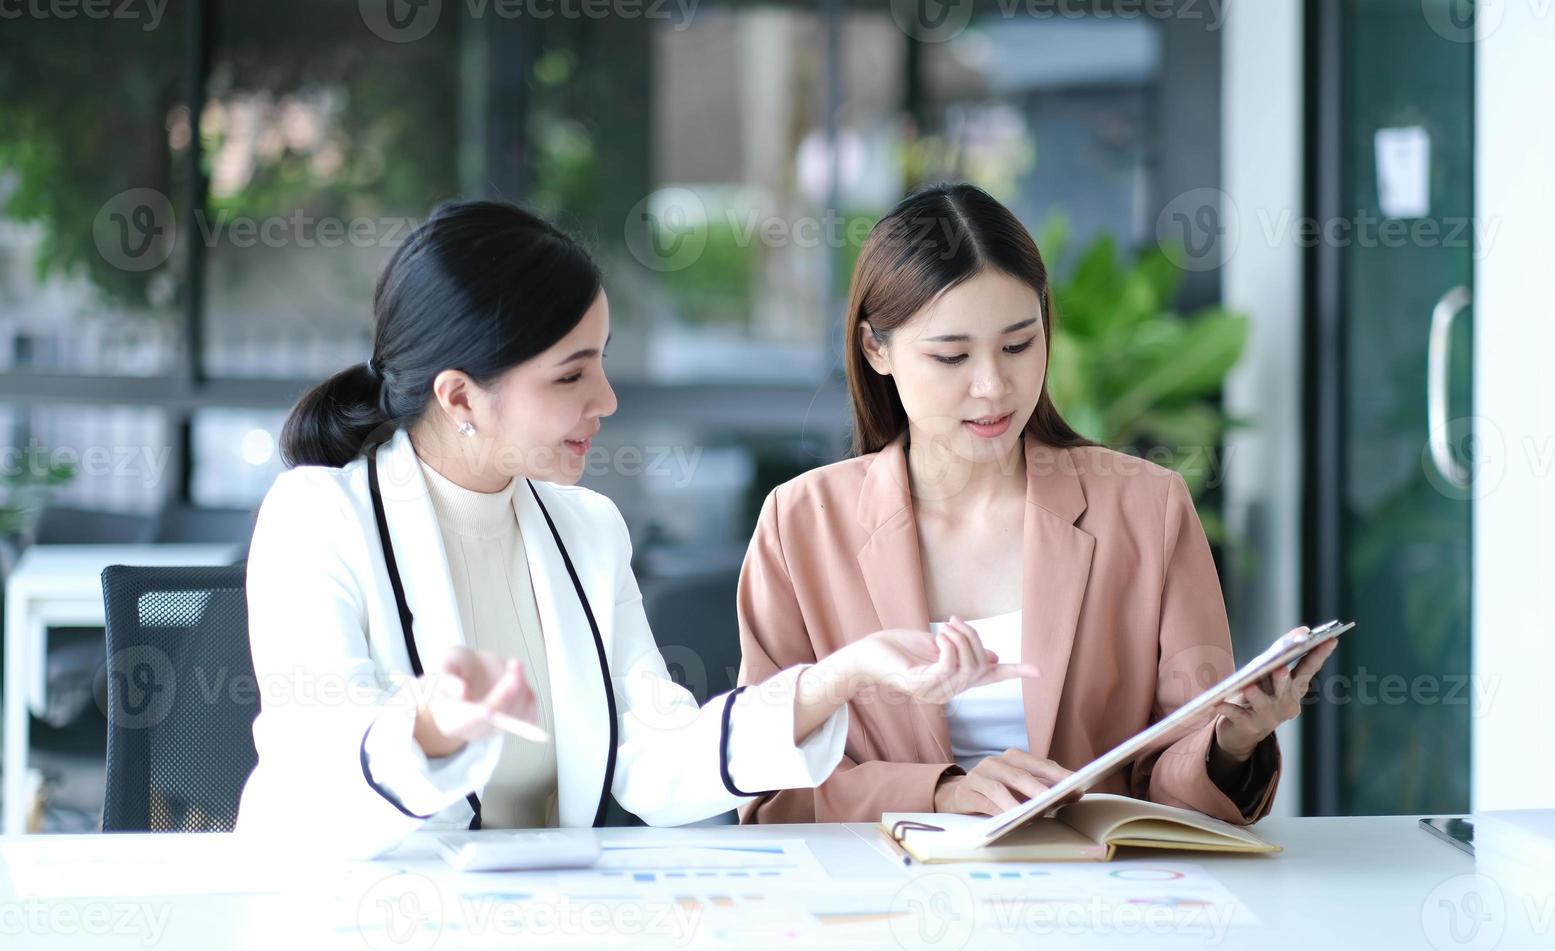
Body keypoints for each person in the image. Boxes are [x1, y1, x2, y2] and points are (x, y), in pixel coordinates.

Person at [233, 200, 1034, 859]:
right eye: (571, 374)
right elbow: (322, 757)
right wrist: (433, 726)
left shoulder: (585, 529)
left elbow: (654, 757)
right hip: (347, 930)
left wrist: (840, 678)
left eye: (602, 361)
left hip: (530, 933)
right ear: (461, 398)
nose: (607, 399)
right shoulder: (318, 519)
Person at [736, 184, 1338, 825]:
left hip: (1096, 898)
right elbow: (767, 786)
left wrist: (1232, 741)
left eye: (1019, 345)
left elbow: (1169, 779)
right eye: (952, 356)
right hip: (887, 904)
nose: (993, 386)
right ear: (875, 350)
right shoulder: (800, 524)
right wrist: (939, 793)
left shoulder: (1146, 508)